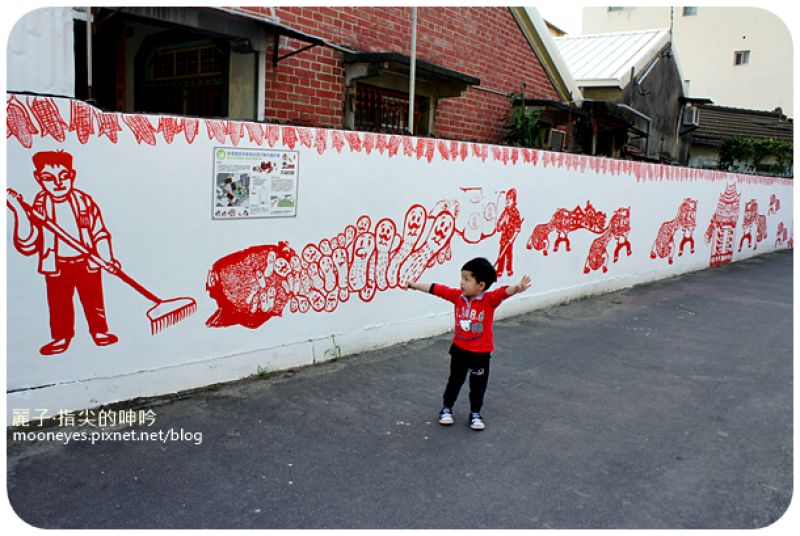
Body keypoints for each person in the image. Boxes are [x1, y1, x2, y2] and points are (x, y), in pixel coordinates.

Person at [7, 150, 120, 355]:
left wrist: (106, 259)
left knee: (93, 300)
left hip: (87, 262)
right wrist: (19, 210)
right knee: (60, 304)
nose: (58, 183)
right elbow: (27, 243)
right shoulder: (39, 207)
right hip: (57, 265)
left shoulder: (84, 202)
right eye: (49, 178)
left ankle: (99, 332)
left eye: (64, 176)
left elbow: (99, 232)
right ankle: (61, 337)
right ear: (38, 178)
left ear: (72, 176)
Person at [405, 257, 531, 430]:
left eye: (467, 279)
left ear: (481, 285)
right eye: (461, 278)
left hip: (481, 354)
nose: (462, 283)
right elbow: (438, 289)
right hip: (459, 351)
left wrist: (516, 289)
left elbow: (502, 293)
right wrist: (415, 285)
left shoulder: (489, 300)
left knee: (478, 385)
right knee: (455, 381)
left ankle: (475, 414)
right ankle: (446, 409)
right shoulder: (458, 297)